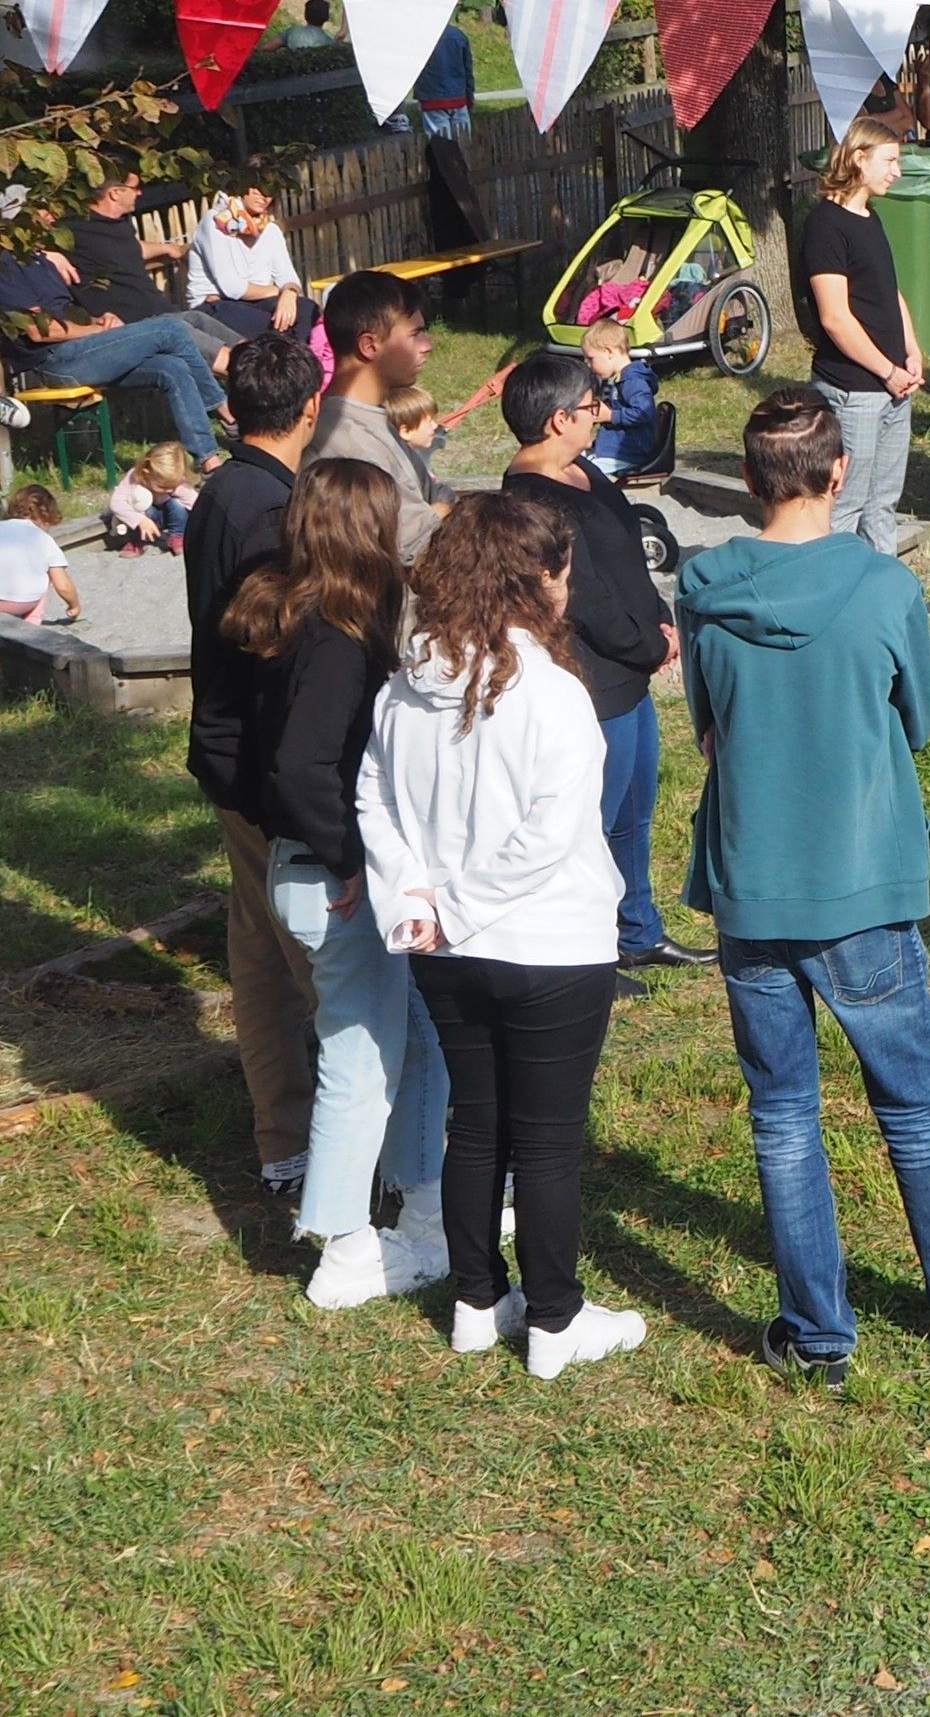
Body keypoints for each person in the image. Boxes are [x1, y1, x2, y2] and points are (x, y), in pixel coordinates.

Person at [680, 388, 930, 1381]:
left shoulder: (706, 583)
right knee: (911, 1103)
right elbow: (918, 719)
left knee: (782, 1116)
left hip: (751, 885)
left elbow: (709, 723)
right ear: (839, 470)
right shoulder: (883, 586)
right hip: (860, 886)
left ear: (752, 478)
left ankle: (817, 1334)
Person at [359, 490, 643, 1378]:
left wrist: (420, 901)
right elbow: (553, 831)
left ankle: (476, 1302)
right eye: (564, 571)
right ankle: (555, 1321)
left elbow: (374, 798)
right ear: (540, 581)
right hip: (546, 946)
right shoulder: (553, 694)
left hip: (446, 950)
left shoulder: (406, 684)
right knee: (548, 1138)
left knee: (475, 1124)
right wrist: (466, 904)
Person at [227, 456, 448, 1309]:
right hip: (330, 877)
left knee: (414, 1041)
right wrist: (349, 861)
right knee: (357, 1061)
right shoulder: (334, 636)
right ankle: (346, 1247)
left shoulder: (299, 616)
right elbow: (300, 766)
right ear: (366, 530)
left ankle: (422, 1206)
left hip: (313, 870)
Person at [500, 351, 700, 988]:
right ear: (558, 419)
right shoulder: (531, 497)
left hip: (630, 670)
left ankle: (637, 930)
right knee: (589, 820)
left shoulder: (581, 469)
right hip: (593, 676)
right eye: (591, 406)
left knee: (635, 809)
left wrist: (662, 622)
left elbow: (626, 561)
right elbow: (581, 594)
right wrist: (648, 645)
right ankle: (587, 948)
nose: (601, 415)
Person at [187, 334, 325, 1195]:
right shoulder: (266, 514)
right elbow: (274, 657)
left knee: (261, 952)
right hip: (265, 767)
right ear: (311, 407)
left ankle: (284, 1142)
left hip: (228, 750)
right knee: (302, 962)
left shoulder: (222, 491)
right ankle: (317, 1145)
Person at [800, 113, 924, 555]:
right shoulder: (826, 225)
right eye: (889, 160)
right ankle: (836, 598)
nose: (897, 171)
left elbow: (889, 291)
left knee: (883, 502)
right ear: (858, 158)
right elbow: (835, 318)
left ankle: (883, 597)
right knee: (847, 502)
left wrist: (911, 352)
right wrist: (886, 371)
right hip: (855, 389)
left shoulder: (870, 217)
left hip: (893, 384)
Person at [0, 247, 228, 464]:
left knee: (172, 367)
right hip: (53, 361)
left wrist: (97, 320)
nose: (51, 216)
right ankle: (229, 415)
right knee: (171, 329)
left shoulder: (38, 259)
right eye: (44, 210)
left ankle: (209, 461)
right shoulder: (6, 264)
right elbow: (39, 330)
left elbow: (64, 316)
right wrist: (98, 331)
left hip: (81, 351)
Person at [307, 270, 449, 562]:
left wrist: (438, 506)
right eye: (415, 334)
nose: (428, 345)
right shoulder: (344, 439)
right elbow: (415, 544)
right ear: (369, 346)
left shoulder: (376, 419)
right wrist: (443, 508)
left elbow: (435, 491)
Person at [63, 173, 247, 371]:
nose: (140, 192)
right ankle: (253, 379)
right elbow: (36, 244)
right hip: (132, 326)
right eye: (135, 188)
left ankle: (258, 359)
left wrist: (168, 248)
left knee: (202, 321)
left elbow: (129, 247)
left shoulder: (118, 224)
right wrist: (52, 255)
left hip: (161, 314)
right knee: (199, 341)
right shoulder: (75, 229)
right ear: (115, 193)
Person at [185, 185, 317, 343]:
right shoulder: (217, 221)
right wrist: (278, 291)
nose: (264, 197)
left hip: (256, 302)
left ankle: (301, 363)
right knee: (274, 329)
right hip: (214, 304)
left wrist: (289, 293)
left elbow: (288, 276)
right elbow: (232, 287)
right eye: (257, 189)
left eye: (270, 193)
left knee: (308, 310)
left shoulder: (271, 231)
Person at [577, 319, 660, 481]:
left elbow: (644, 413)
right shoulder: (618, 379)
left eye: (591, 359)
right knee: (574, 460)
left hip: (628, 452)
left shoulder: (633, 381)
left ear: (608, 352)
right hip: (614, 448)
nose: (588, 365)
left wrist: (611, 416)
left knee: (584, 475)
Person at [0, 483, 80, 623]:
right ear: (47, 516)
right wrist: (74, 605)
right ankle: (31, 622)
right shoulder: (43, 539)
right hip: (21, 603)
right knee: (45, 575)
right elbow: (63, 586)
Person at [107, 441, 198, 555]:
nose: (169, 490)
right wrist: (140, 520)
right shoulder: (135, 477)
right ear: (146, 473)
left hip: (168, 516)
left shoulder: (176, 483)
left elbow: (197, 505)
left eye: (173, 486)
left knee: (178, 504)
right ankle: (137, 541)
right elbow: (116, 502)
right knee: (136, 503)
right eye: (163, 486)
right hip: (146, 515)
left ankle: (177, 536)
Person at [412, 20, 476, 139]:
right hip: (459, 98)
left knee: (442, 145)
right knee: (463, 141)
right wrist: (469, 97)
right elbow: (468, 70)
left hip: (432, 98)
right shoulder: (459, 36)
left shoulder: (421, 39)